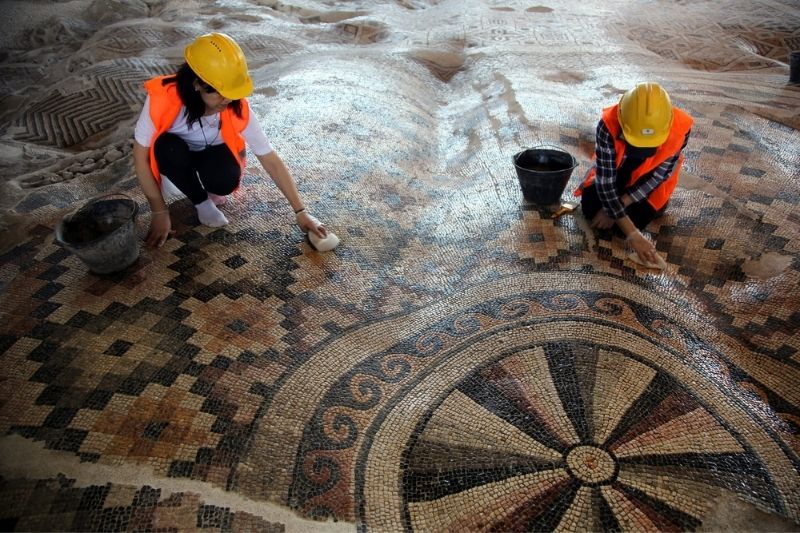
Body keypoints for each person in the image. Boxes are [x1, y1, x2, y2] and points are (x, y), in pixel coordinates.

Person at [132, 32, 327, 247]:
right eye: (219, 92)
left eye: (231, 92)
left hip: (212, 154)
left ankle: (209, 189)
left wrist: (301, 211)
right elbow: (140, 158)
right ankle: (201, 202)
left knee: (225, 180)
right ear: (197, 84)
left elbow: (268, 156)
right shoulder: (163, 99)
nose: (227, 100)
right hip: (176, 156)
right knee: (166, 147)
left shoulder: (237, 105)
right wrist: (159, 211)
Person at [575, 82, 692, 264]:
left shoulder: (680, 129)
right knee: (590, 207)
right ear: (622, 122)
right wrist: (632, 233)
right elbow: (605, 181)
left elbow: (658, 176)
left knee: (629, 224)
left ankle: (654, 207)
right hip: (618, 170)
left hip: (649, 178)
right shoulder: (608, 125)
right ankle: (621, 213)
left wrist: (619, 216)